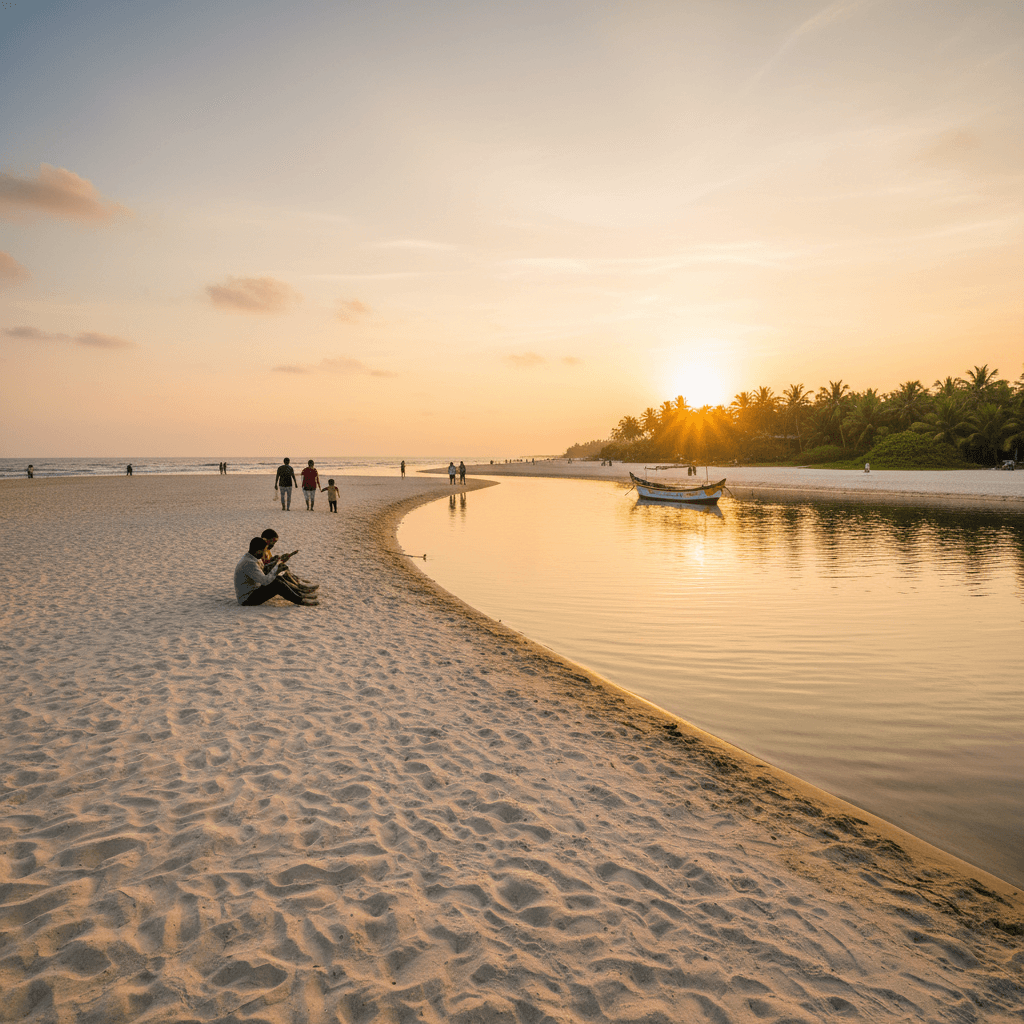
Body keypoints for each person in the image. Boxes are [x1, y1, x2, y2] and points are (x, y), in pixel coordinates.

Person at [235, 536, 317, 606]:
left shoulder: (253, 557)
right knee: (276, 584)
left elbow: (264, 570)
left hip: (254, 590)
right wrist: (276, 569)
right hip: (247, 599)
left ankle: (300, 594)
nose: (264, 553)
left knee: (278, 578)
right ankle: (301, 601)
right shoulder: (249, 563)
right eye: (264, 551)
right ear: (258, 551)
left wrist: (279, 561)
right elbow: (265, 581)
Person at [260, 529, 319, 595]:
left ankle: (297, 581)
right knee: (282, 569)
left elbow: (270, 562)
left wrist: (281, 560)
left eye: (275, 542)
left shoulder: (267, 549)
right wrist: (278, 562)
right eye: (272, 541)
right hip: (264, 576)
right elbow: (264, 566)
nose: (273, 544)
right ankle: (298, 585)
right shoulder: (260, 550)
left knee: (282, 566)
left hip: (268, 572)